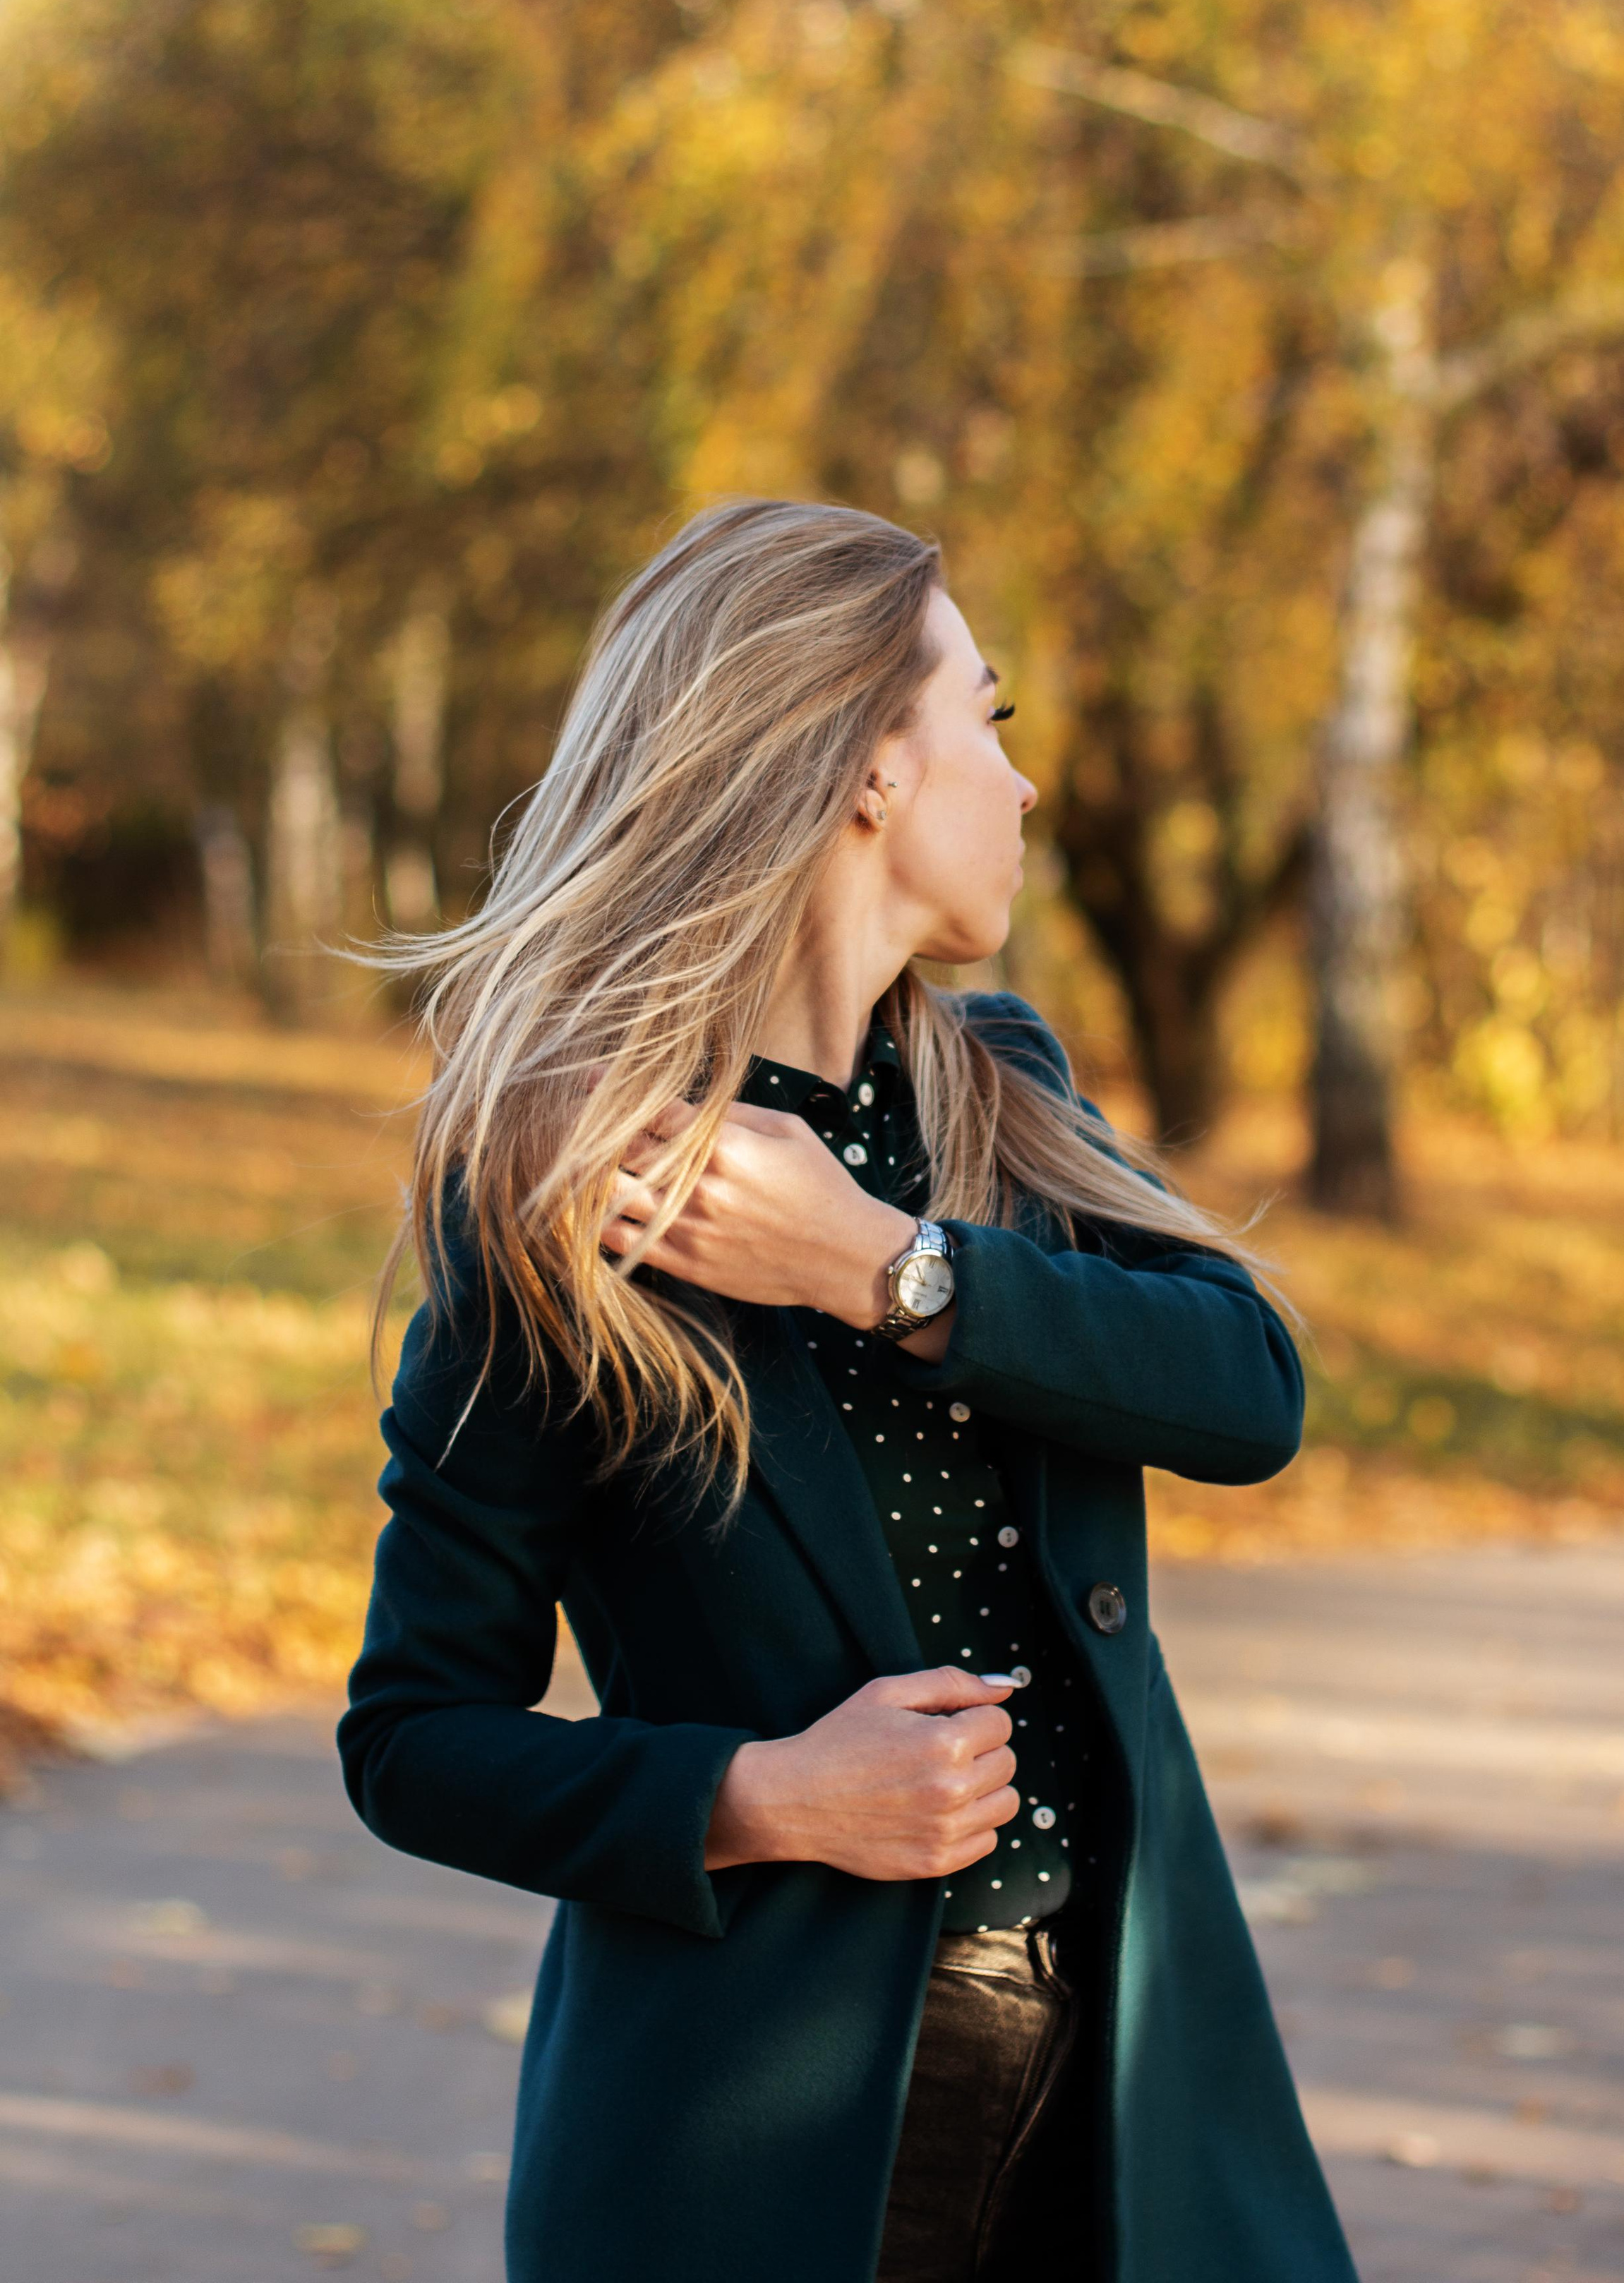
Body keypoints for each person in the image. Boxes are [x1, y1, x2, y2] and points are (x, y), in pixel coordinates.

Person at [339, 497, 1358, 2283]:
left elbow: (1245, 1387)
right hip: (758, 2157)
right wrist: (763, 1797)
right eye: (990, 715)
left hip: (1126, 2093)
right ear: (870, 767)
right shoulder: (577, 1192)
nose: (1023, 784)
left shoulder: (1000, 1097)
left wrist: (884, 1268)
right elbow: (414, 1736)